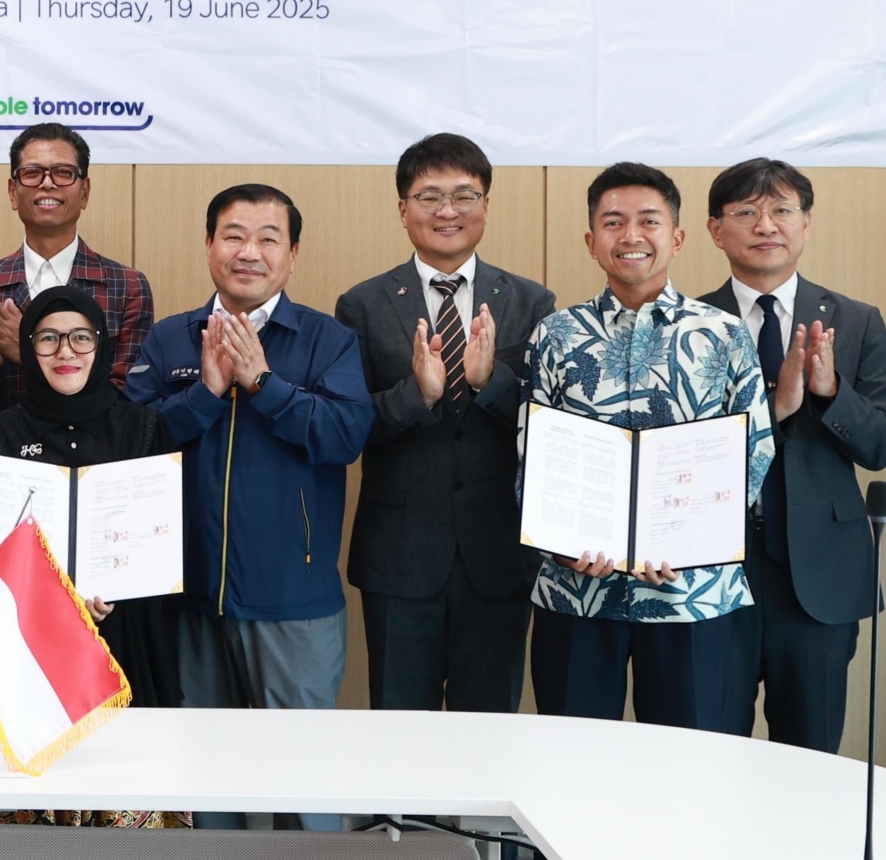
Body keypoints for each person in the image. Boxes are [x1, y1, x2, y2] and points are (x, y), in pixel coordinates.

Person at [124, 183, 371, 832]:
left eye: (268, 238)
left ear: (292, 254)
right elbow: (131, 445)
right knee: (206, 792)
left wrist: (264, 384)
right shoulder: (171, 340)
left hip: (294, 605)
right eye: (233, 235)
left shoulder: (328, 340)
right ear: (209, 245)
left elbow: (346, 436)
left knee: (305, 794)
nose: (249, 252)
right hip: (189, 602)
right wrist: (204, 394)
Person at [522, 162, 773, 732]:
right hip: (577, 592)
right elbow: (533, 454)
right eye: (613, 222)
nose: (630, 235)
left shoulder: (723, 333)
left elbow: (754, 450)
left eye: (648, 221)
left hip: (693, 593)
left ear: (677, 237)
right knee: (572, 770)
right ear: (591, 241)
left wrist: (694, 543)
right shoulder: (555, 335)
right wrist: (561, 544)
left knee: (693, 769)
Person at [333, 134, 554, 714]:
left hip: (499, 550)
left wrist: (491, 383)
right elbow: (349, 428)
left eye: (463, 195)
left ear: (486, 204)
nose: (447, 211)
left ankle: (476, 812)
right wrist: (417, 394)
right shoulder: (363, 303)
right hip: (400, 553)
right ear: (403, 210)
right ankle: (404, 813)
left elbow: (551, 427)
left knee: (489, 722)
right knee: (401, 718)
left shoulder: (532, 304)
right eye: (429, 196)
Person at [0, 285, 186, 830]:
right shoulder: (0, 432)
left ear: (101, 347)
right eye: (47, 338)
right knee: (37, 807)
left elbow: (156, 541)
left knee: (127, 794)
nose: (64, 351)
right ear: (28, 345)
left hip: (126, 637)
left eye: (79, 338)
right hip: (30, 642)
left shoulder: (143, 427)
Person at [699, 158, 886, 752]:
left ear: (806, 223)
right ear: (714, 229)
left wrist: (831, 393)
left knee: (810, 759)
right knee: (707, 755)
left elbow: (880, 446)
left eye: (781, 210)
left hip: (819, 579)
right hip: (710, 574)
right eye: (746, 212)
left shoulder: (856, 322)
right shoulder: (688, 323)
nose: (766, 224)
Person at [0, 123, 153, 439]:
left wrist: (28, 353)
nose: (47, 184)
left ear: (85, 192)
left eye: (63, 173)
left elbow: (131, 407)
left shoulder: (127, 286)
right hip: (6, 469)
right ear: (13, 192)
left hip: (96, 468)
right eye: (33, 173)